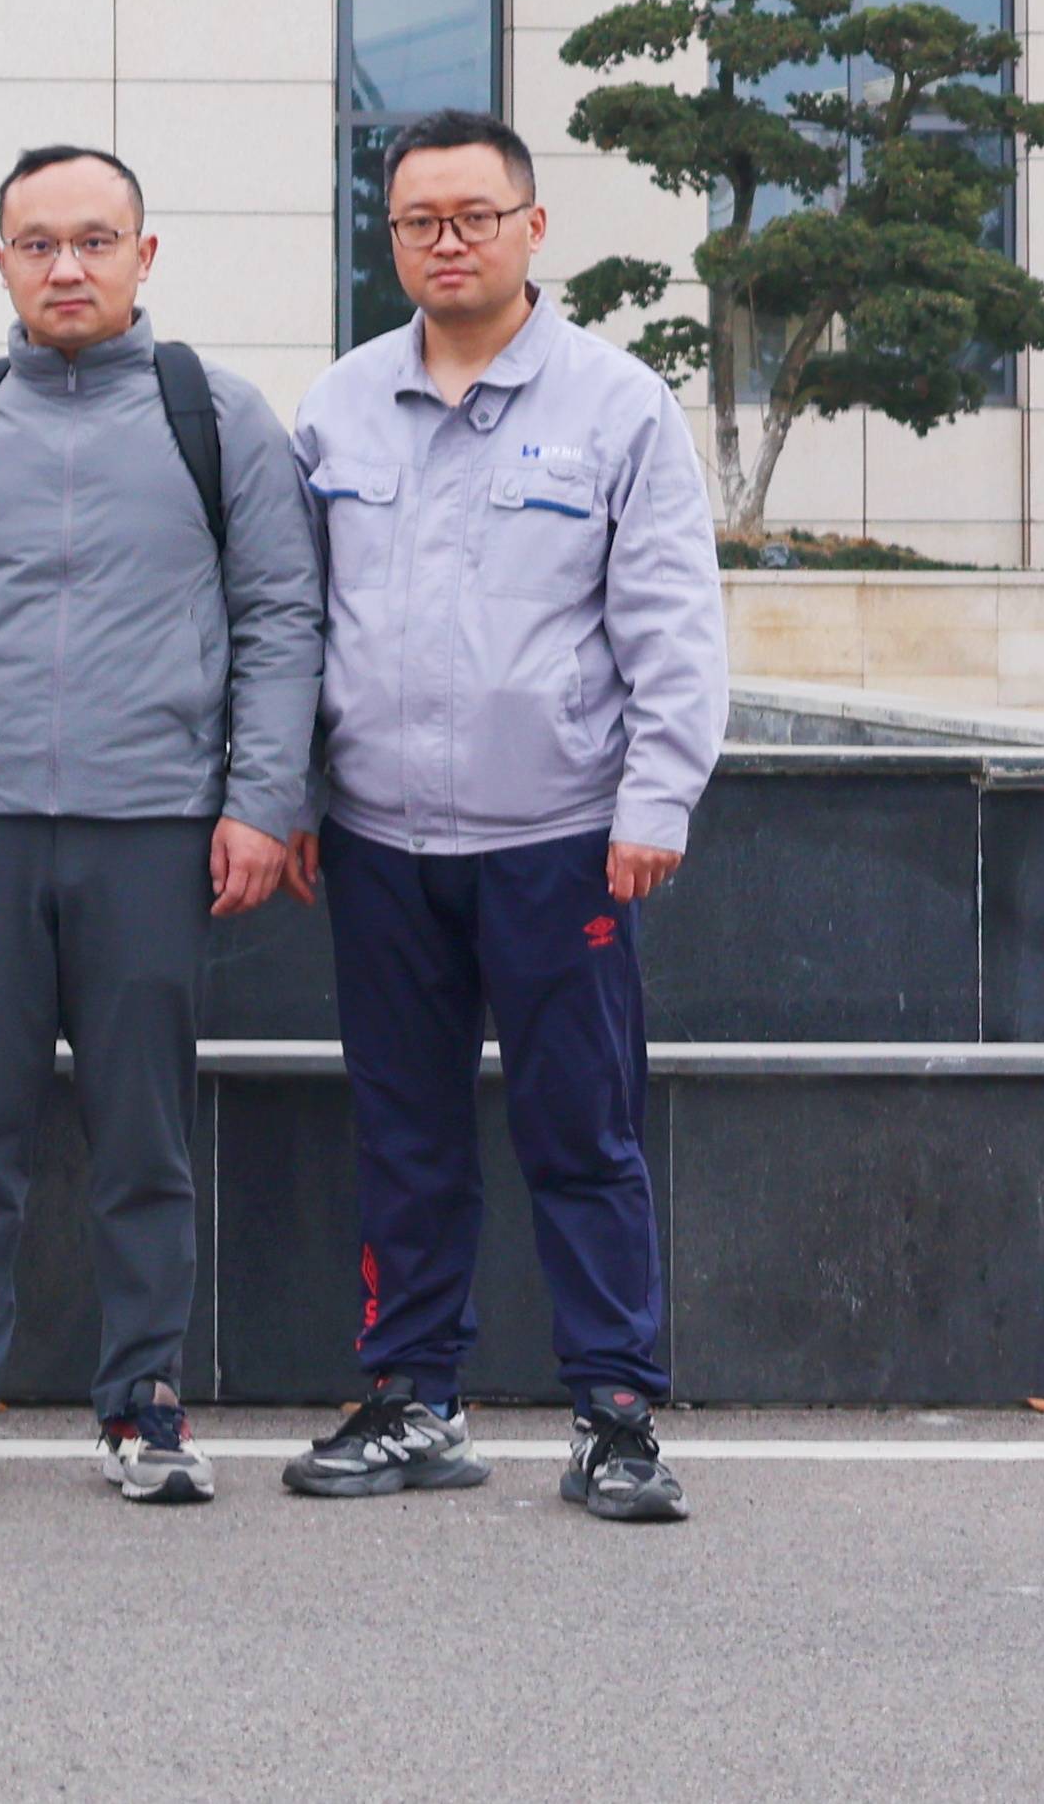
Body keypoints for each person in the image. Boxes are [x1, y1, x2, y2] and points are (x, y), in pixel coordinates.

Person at [0, 145, 323, 1507]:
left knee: (143, 1134)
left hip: (153, 828)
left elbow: (280, 617)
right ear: (1, 260)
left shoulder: (213, 414)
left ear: (143, 255)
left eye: (95, 241)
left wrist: (260, 801)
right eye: (39, 243)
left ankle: (144, 1404)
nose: (67, 267)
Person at [280, 109, 724, 1527]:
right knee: (402, 1133)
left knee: (581, 1135)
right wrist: (292, 791)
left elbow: (673, 621)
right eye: (419, 220)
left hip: (560, 842)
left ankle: (615, 1416)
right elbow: (295, 623)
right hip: (377, 843)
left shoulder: (616, 405)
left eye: (476, 215)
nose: (448, 241)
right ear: (390, 238)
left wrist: (656, 797)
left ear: (534, 227)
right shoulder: (339, 406)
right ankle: (415, 1398)